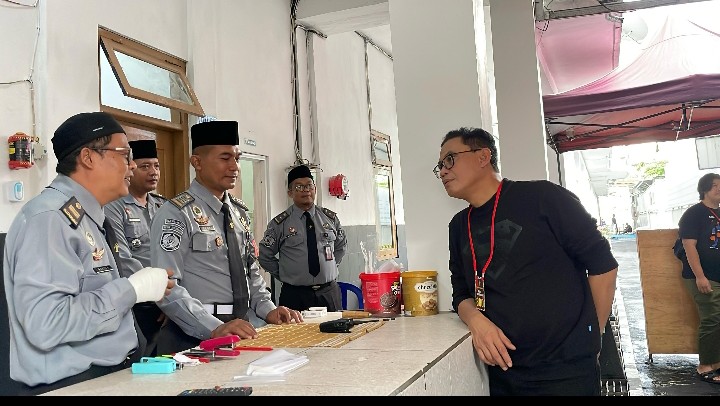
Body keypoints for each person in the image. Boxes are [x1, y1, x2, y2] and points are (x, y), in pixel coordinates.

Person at [435, 127, 618, 396]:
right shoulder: (459, 225)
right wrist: (476, 320)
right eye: (440, 165)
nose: (443, 171)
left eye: (450, 159)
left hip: (565, 371)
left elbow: (603, 265)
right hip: (504, 372)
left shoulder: (543, 198)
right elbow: (461, 292)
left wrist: (593, 336)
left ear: (483, 156)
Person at [3, 112, 174, 394]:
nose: (132, 165)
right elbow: (47, 323)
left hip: (107, 378)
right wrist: (130, 290)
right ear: (88, 158)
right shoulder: (50, 219)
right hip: (73, 385)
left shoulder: (89, 218)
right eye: (125, 154)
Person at [150, 120, 303, 354]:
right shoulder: (176, 214)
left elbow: (250, 270)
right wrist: (213, 328)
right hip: (195, 335)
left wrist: (268, 309)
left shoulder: (239, 212)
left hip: (243, 328)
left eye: (237, 158)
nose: (234, 167)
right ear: (197, 162)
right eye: (225, 158)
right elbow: (166, 288)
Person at [104, 139, 167, 356]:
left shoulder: (163, 206)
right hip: (139, 301)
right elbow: (122, 258)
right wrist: (159, 291)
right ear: (130, 170)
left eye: (156, 166)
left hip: (168, 299)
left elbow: (178, 256)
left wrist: (173, 299)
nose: (153, 172)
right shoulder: (114, 207)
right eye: (145, 166)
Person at [258, 164, 348, 312]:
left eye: (309, 185)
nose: (305, 190)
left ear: (315, 189)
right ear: (290, 192)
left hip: (329, 293)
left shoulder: (330, 219)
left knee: (334, 327)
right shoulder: (279, 224)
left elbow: (341, 246)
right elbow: (265, 255)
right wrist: (284, 273)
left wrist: (330, 266)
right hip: (295, 295)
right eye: (299, 187)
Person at [677, 173, 720, 384]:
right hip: (704, 276)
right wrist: (700, 276)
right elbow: (689, 246)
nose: (719, 189)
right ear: (704, 189)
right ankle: (705, 366)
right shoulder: (693, 214)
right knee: (712, 318)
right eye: (715, 186)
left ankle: (716, 362)